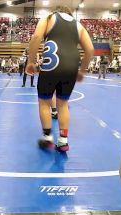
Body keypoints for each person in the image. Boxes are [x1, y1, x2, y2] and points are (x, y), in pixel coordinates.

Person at [25, 6, 94, 152]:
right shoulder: (78, 25)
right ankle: (63, 141)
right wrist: (82, 70)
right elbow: (90, 50)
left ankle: (47, 138)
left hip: (52, 65)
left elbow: (36, 37)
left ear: (56, 11)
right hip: (71, 67)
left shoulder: (49, 18)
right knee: (63, 104)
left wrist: (31, 61)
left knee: (44, 102)